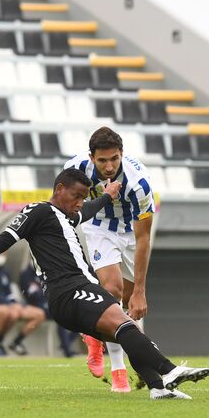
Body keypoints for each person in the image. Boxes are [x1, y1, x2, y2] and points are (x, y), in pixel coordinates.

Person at [0, 168, 209, 400]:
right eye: (76, 196)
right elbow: (6, 238)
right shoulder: (38, 211)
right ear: (59, 189)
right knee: (124, 325)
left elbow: (88, 210)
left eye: (83, 197)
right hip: (70, 290)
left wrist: (107, 195)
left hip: (77, 290)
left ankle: (158, 387)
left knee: (126, 333)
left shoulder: (67, 217)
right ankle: (171, 371)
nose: (79, 202)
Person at [65, 127, 155, 392]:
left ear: (122, 155)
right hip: (99, 227)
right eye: (102, 160)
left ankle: (93, 335)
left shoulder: (139, 184)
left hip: (130, 234)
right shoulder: (75, 169)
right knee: (112, 290)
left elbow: (143, 239)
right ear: (91, 157)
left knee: (128, 301)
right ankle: (119, 371)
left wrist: (140, 291)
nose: (109, 166)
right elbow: (60, 206)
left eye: (114, 159)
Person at [17, 262, 78, 357]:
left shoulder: (44, 273)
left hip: (49, 304)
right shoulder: (26, 274)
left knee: (76, 316)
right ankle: (67, 351)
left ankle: (66, 344)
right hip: (36, 306)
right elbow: (31, 294)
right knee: (60, 316)